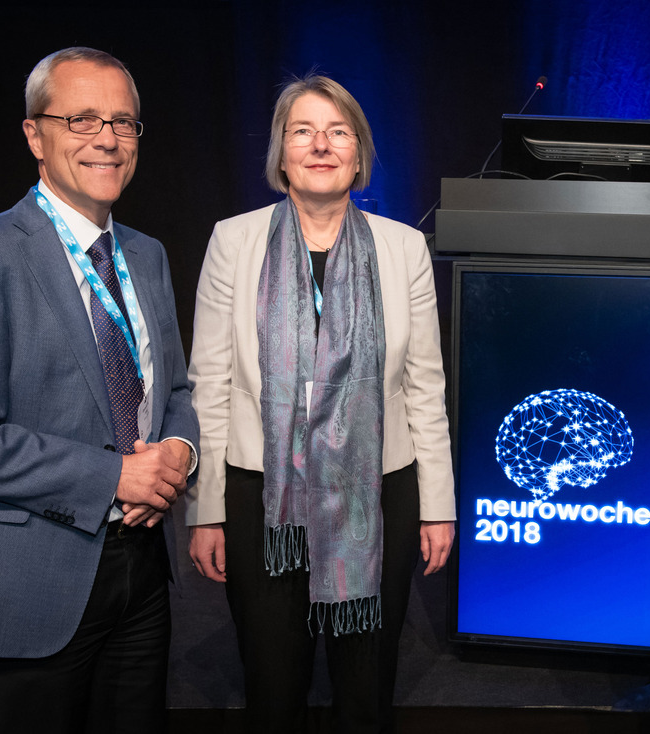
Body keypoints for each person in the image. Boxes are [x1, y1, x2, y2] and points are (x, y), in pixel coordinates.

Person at [0, 47, 198, 733]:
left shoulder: (147, 255)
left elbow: (177, 389)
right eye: (82, 119)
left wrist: (181, 450)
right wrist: (114, 477)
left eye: (123, 122)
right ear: (34, 135)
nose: (106, 137)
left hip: (140, 574)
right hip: (28, 581)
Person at [185, 73, 456, 732]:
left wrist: (437, 504)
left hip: (377, 488)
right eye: (302, 131)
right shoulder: (233, 240)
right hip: (262, 493)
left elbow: (424, 385)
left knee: (365, 683)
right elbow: (210, 383)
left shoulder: (403, 248)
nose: (320, 145)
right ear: (280, 155)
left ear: (358, 156)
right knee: (272, 681)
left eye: (338, 132)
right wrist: (206, 510)